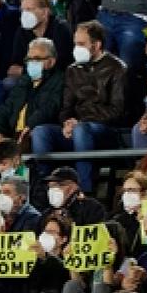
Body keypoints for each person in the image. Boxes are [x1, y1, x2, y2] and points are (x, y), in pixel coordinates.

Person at [30, 22, 126, 191]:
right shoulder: (72, 70)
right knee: (40, 132)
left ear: (96, 45)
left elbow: (117, 111)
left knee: (81, 130)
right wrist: (67, 122)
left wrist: (79, 122)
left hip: (105, 131)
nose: (76, 48)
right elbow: (66, 106)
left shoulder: (117, 68)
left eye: (81, 44)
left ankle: (83, 190)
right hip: (76, 128)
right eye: (75, 43)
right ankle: (44, 189)